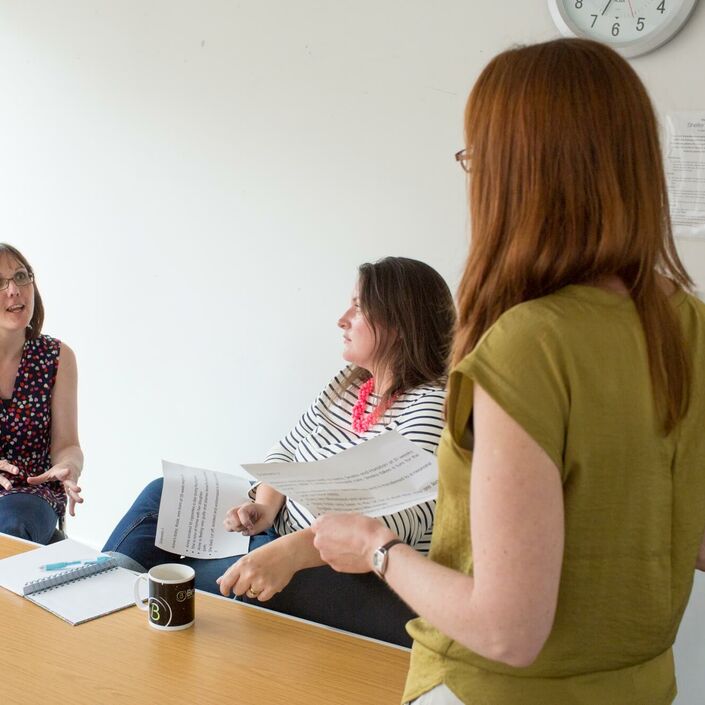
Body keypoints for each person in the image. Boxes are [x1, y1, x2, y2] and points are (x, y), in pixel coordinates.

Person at [310, 39, 705, 705]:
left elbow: (506, 629)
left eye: (474, 159)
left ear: (514, 175)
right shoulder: (687, 323)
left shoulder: (527, 343)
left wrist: (377, 548)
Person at [104, 256, 455, 645]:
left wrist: (288, 552)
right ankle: (96, 590)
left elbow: (396, 521)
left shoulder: (430, 408)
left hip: (329, 568)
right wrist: (266, 504)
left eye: (358, 307)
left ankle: (116, 601)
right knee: (163, 491)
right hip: (276, 531)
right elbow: (288, 449)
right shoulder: (351, 385)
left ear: (401, 323)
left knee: (175, 575)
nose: (342, 319)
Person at [0, 243, 83, 544]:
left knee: (15, 522)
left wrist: (69, 466)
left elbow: (68, 445)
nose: (14, 290)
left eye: (21, 276)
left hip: (30, 494)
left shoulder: (56, 356)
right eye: (0, 283)